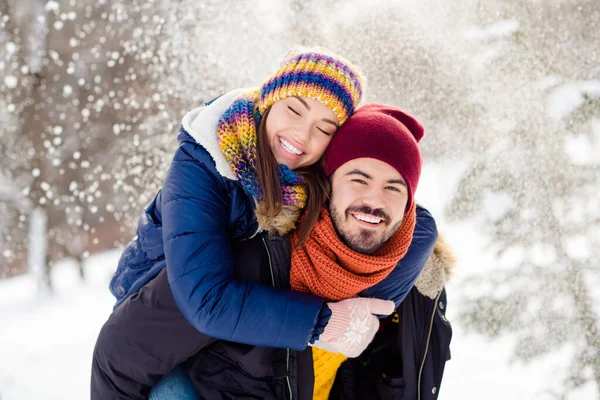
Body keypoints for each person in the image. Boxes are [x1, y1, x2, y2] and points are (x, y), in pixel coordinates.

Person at [92, 104, 452, 399]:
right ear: (324, 185)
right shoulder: (244, 264)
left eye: (394, 187)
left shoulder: (416, 279)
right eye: (358, 179)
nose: (375, 201)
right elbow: (120, 355)